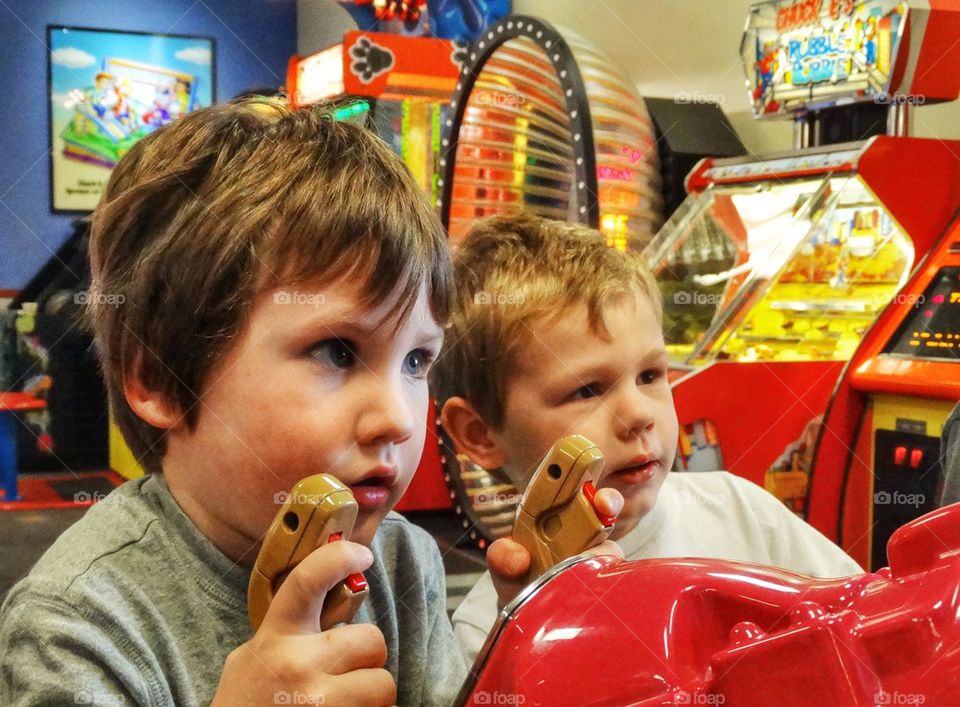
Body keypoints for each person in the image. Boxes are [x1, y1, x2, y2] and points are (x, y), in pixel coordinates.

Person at [0, 98, 465, 706]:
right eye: (337, 351)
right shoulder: (76, 625)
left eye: (416, 361)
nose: (399, 419)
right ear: (162, 380)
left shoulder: (403, 559)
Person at [433, 213, 863, 664]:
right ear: (479, 434)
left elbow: (863, 613)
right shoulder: (489, 630)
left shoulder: (741, 511)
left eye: (650, 375)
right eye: (587, 390)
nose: (639, 414)